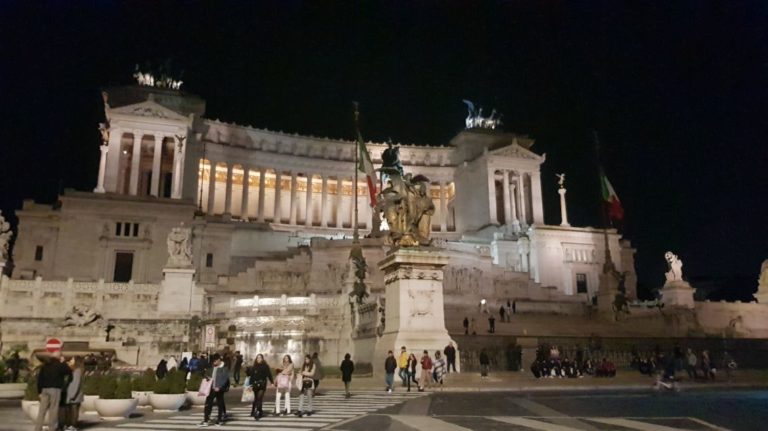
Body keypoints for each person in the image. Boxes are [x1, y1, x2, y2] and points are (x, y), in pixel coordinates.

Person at [36, 350, 72, 431]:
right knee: (53, 410)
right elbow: (68, 371)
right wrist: (63, 362)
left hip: (44, 389)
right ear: (59, 356)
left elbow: (40, 379)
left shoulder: (44, 366)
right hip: (55, 389)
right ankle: (52, 428)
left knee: (42, 410)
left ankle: (37, 428)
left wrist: (39, 391)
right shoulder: (60, 365)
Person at [199, 353, 229, 427]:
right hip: (211, 388)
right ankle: (206, 419)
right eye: (213, 361)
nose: (213, 362)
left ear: (219, 360)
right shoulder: (211, 367)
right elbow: (206, 374)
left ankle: (219, 420)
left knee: (220, 404)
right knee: (208, 404)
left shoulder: (224, 368)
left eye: (215, 361)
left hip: (219, 389)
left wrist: (220, 387)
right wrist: (207, 377)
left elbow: (225, 379)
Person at [247, 354, 273, 420]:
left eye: (260, 358)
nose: (258, 359)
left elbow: (269, 374)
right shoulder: (254, 366)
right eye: (257, 358)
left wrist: (272, 382)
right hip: (255, 384)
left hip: (262, 384)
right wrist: (250, 385)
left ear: (262, 359)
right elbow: (251, 376)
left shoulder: (265, 366)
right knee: (255, 399)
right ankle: (258, 411)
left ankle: (257, 412)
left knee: (259, 398)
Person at [63, 356, 84, 431]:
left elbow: (75, 384)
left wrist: (71, 395)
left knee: (73, 412)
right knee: (73, 411)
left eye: (72, 359)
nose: (71, 361)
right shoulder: (76, 370)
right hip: (74, 395)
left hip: (74, 396)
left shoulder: (77, 371)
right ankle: (72, 426)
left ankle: (72, 426)